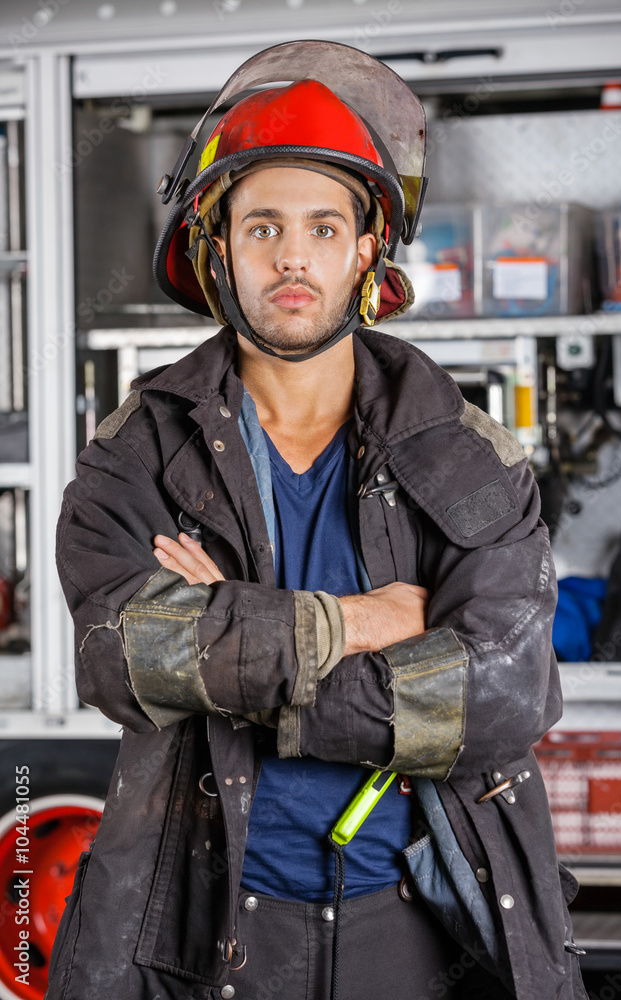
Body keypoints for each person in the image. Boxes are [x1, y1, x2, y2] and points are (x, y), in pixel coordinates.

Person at [49, 40, 587, 1000]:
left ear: (365, 250)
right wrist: (365, 621)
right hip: (198, 931)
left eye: (322, 227)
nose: (292, 256)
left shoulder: (464, 449)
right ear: (217, 248)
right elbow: (123, 657)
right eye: (262, 227)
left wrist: (240, 641)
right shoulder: (137, 447)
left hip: (421, 924)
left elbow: (502, 697)